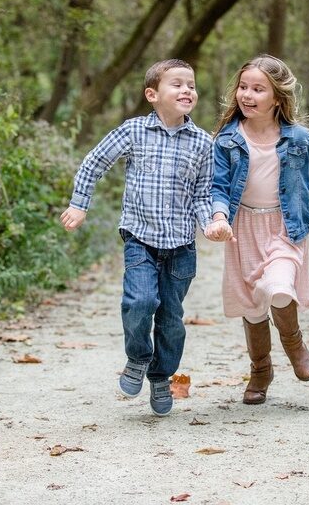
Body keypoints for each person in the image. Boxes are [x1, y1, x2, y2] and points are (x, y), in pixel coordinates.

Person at [60, 59, 232, 417]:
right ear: (152, 95)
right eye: (178, 84)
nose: (187, 90)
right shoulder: (134, 131)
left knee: (170, 318)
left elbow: (202, 194)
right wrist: (80, 205)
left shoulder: (202, 142)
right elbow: (94, 163)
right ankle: (137, 357)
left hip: (182, 247)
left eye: (191, 85)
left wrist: (211, 224)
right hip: (140, 238)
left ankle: (160, 376)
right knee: (139, 303)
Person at [207, 54, 309, 405]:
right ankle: (261, 370)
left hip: (285, 227)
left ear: (277, 98)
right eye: (243, 87)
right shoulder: (228, 140)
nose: (247, 94)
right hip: (243, 228)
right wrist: (218, 217)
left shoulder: (299, 139)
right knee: (252, 306)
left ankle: (294, 344)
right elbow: (217, 186)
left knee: (279, 287)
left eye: (258, 89)